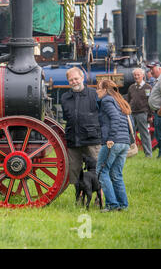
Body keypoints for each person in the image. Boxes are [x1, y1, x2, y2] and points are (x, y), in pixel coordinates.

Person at [61, 67, 102, 186]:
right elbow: (66, 117)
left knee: (98, 169)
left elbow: (102, 115)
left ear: (82, 78)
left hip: (92, 139)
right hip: (73, 140)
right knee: (74, 171)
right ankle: (78, 197)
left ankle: (99, 198)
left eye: (76, 79)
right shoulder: (65, 98)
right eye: (71, 80)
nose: (74, 82)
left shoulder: (94, 94)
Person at [96, 79, 131, 212]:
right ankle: (123, 205)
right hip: (124, 142)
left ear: (105, 90)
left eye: (98, 88)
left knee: (101, 171)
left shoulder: (107, 100)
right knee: (116, 174)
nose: (97, 91)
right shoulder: (119, 101)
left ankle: (112, 205)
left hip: (112, 142)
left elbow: (115, 118)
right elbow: (129, 121)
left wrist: (110, 138)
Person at [126, 68, 152, 157]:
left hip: (143, 113)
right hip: (132, 114)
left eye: (138, 75)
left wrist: (150, 115)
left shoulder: (148, 87)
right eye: (135, 75)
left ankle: (148, 154)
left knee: (144, 134)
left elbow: (150, 102)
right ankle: (130, 153)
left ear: (143, 76)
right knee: (130, 134)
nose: (136, 77)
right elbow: (129, 100)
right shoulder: (131, 88)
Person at [148, 61, 161, 158]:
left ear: (159, 69)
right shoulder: (157, 80)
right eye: (150, 69)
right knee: (158, 135)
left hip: (160, 112)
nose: (151, 71)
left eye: (153, 68)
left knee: (160, 135)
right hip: (157, 112)